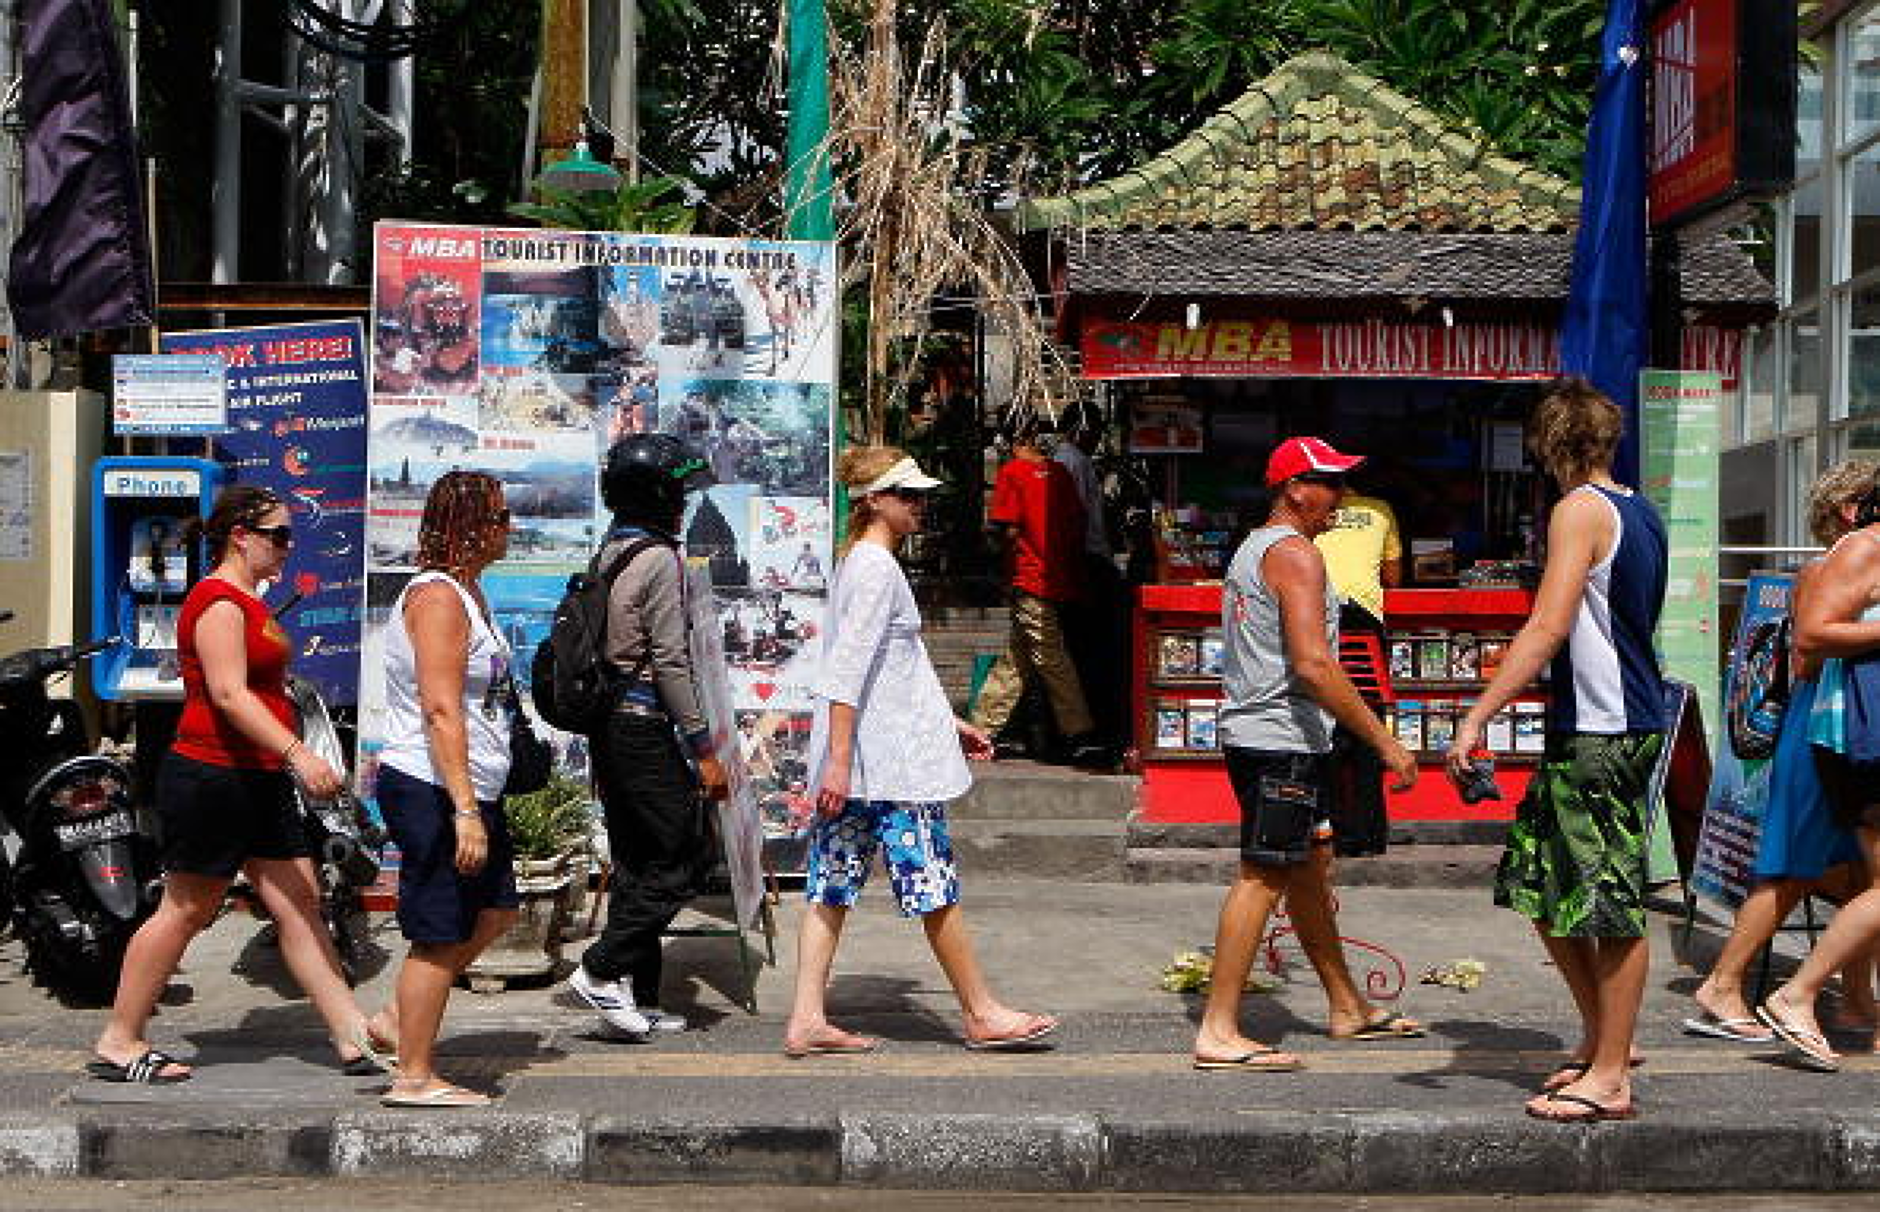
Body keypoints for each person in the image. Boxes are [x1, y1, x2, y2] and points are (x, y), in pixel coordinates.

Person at [91, 486, 394, 1085]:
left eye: (289, 535)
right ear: (241, 536)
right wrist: (297, 752)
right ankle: (120, 1039)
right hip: (212, 776)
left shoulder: (248, 601)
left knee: (298, 900)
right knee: (188, 908)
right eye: (278, 534)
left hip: (254, 777)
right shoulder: (218, 603)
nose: (288, 546)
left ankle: (352, 1035)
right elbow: (229, 695)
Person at [784, 445, 1058, 1057]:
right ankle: (982, 1012)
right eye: (907, 496)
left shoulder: (858, 561)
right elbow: (851, 668)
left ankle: (806, 1016)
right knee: (933, 885)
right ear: (874, 500)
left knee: (831, 884)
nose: (920, 506)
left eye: (920, 495)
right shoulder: (877, 568)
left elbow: (891, 670)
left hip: (864, 758)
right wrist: (838, 759)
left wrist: (948, 721)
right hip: (890, 766)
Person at [1446, 379, 1668, 1123]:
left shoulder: (1579, 511)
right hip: (1603, 725)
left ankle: (1610, 1074)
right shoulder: (1642, 511)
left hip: (1605, 730)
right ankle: (1606, 1037)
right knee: (1537, 879)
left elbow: (1547, 626)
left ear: (1548, 447)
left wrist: (1476, 716)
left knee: (1610, 905)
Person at [1192, 436, 1423, 1075]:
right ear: (1294, 487)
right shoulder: (1294, 554)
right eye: (1329, 482)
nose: (1341, 496)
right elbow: (1315, 662)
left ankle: (1346, 1004)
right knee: (1263, 874)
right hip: (1280, 742)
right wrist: (1382, 740)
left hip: (1272, 735)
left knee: (1307, 869)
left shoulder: (1256, 549)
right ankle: (1217, 1029)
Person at [1687, 462, 1879, 1046]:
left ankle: (1853, 999)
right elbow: (1806, 655)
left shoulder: (1832, 565)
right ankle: (1725, 984)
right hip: (1824, 729)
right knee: (1792, 865)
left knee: (1851, 875)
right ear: (1850, 510)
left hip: (1838, 730)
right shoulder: (1831, 567)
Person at [566, 434, 728, 1039]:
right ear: (657, 495)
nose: (684, 505)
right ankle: (602, 969)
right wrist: (704, 747)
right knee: (686, 855)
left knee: (637, 859)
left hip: (610, 730)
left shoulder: (612, 549)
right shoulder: (658, 559)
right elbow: (670, 662)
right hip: (642, 728)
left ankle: (633, 997)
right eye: (678, 493)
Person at [373, 471, 524, 1107]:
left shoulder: (468, 593)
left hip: (470, 786)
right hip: (433, 787)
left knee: (494, 913)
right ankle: (413, 1075)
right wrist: (464, 809)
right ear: (470, 528)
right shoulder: (436, 598)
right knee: (440, 930)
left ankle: (393, 1021)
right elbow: (440, 709)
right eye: (499, 516)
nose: (509, 527)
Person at [1753, 471, 1880, 1072]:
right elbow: (1812, 636)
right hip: (1858, 735)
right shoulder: (1863, 548)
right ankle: (1796, 993)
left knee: (1871, 883)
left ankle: (1854, 1005)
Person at [971, 420, 1105, 767]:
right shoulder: (1059, 474)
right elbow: (1078, 524)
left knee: (1048, 657)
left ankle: (1079, 731)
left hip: (1029, 576)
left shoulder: (1013, 472)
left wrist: (1006, 575)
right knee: (1020, 658)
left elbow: (1010, 531)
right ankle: (982, 727)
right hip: (1057, 576)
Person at [1314, 474, 1405, 859]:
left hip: (1323, 622)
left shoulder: (1314, 514)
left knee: (1329, 732)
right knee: (1370, 732)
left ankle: (1336, 831)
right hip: (1366, 626)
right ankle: (1371, 836)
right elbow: (1393, 578)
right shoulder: (1380, 510)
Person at [1054, 403, 1129, 753]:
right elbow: (1076, 520)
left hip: (1091, 559)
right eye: (1095, 429)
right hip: (1087, 561)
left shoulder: (1074, 461)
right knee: (1092, 647)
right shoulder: (1072, 462)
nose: (1098, 437)